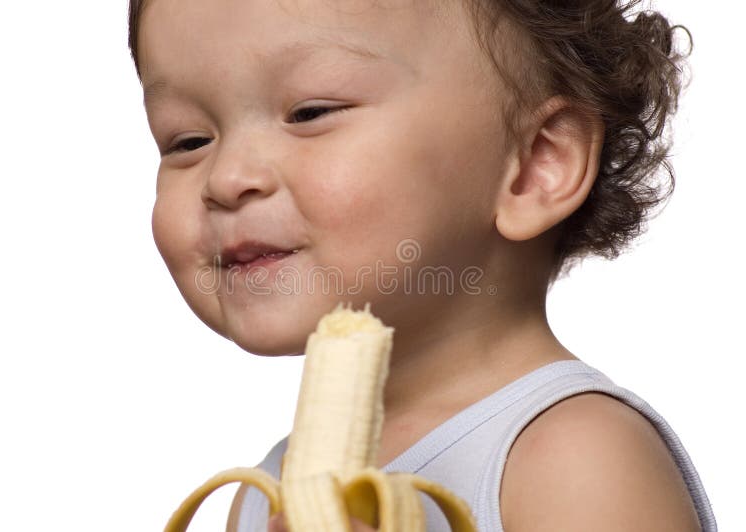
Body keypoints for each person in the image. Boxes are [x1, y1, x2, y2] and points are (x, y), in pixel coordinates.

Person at [127, 0, 717, 530]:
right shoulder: (262, 498)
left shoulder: (575, 459)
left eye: (310, 112)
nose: (227, 178)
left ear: (537, 163)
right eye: (186, 141)